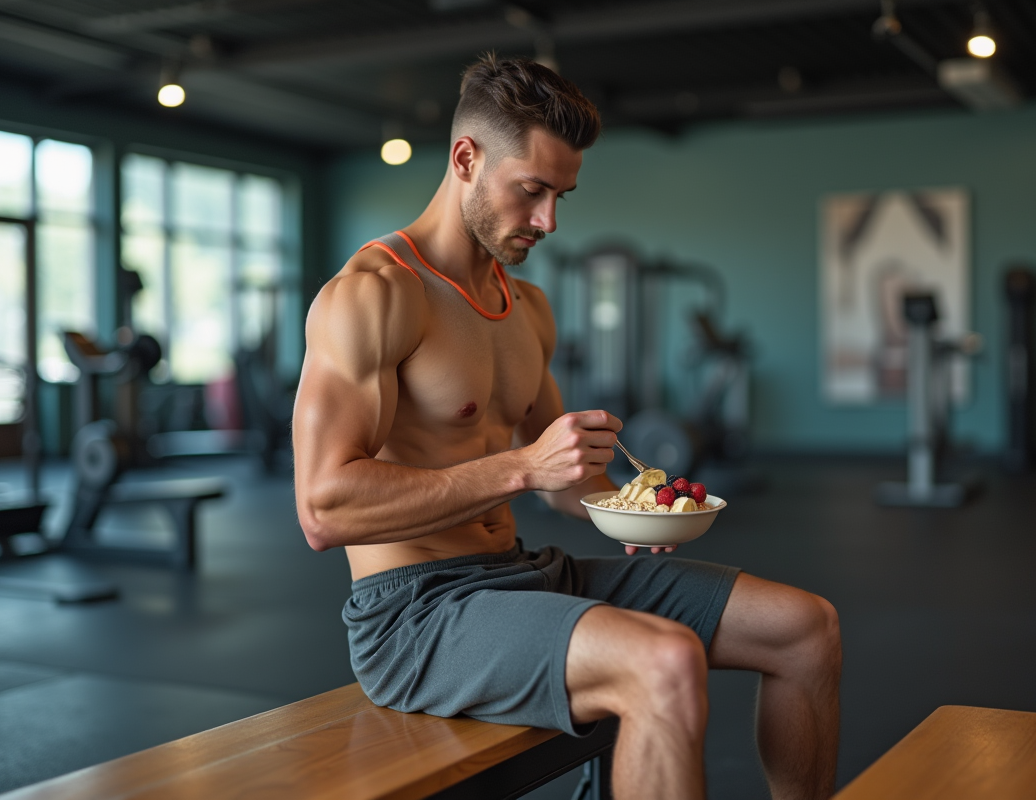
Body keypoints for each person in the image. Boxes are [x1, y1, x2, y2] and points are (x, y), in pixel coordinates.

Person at [293, 54, 841, 800]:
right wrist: (522, 467)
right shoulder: (375, 296)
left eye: (561, 196)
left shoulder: (528, 309)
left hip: (527, 574)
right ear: (466, 159)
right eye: (532, 191)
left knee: (805, 628)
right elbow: (323, 510)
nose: (549, 220)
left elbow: (566, 482)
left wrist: (636, 509)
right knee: (664, 661)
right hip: (417, 615)